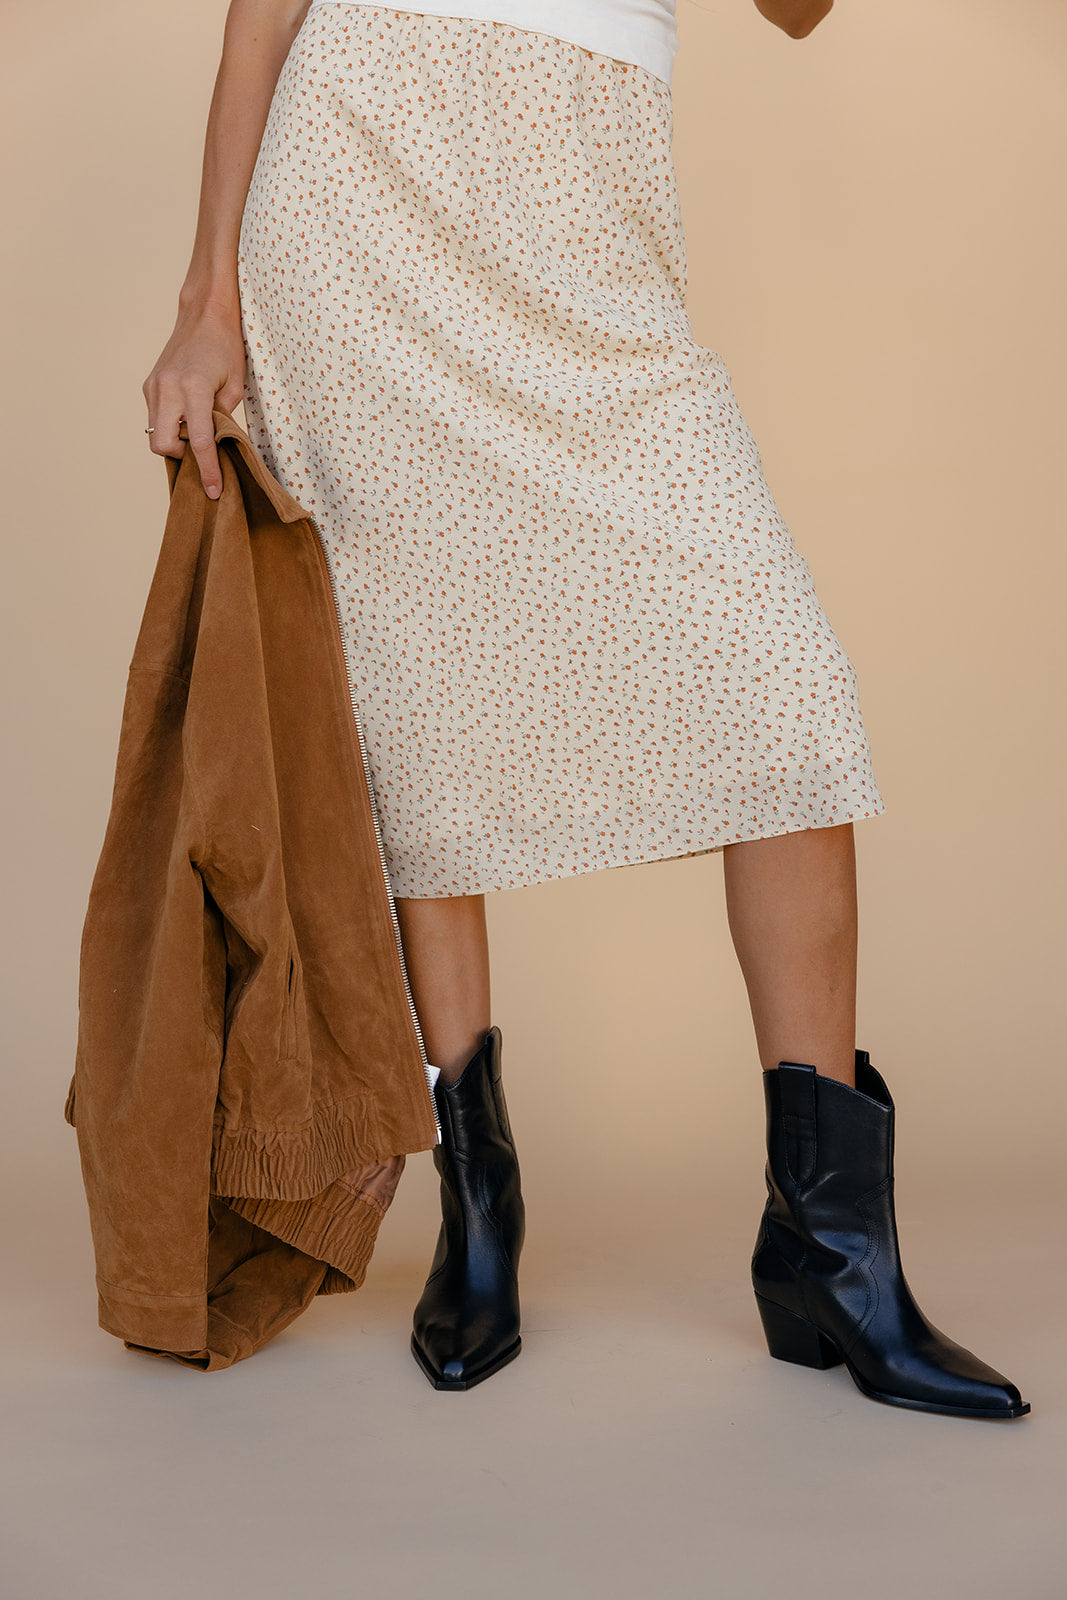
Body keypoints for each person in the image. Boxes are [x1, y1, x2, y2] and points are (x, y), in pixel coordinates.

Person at [142, 0, 1029, 1418]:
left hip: (586, 185)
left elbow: (796, 12)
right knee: (422, 722)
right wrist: (207, 302)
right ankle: (478, 1211)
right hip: (361, 173)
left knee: (782, 703)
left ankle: (832, 1246)